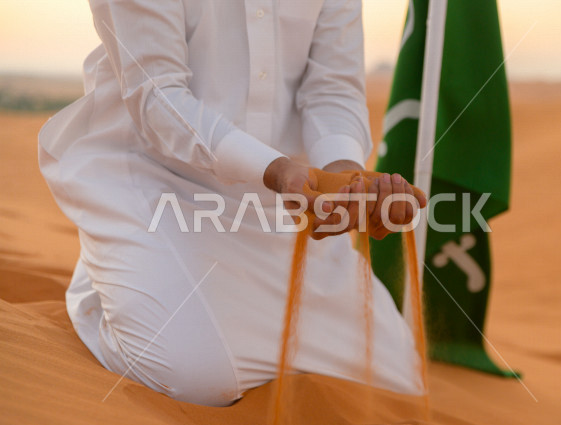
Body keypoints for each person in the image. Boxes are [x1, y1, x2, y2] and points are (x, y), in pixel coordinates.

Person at [39, 0, 425, 407]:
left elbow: (333, 88)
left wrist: (345, 178)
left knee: (397, 381)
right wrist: (276, 171)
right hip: (160, 185)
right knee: (196, 380)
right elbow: (158, 95)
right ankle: (110, 286)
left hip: (289, 203)